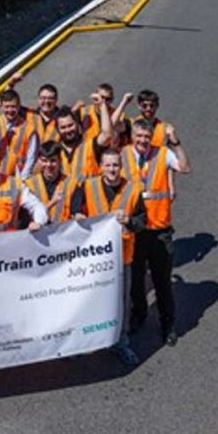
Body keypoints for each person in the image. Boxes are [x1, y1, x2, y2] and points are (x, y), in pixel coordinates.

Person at [70, 148, 145, 365]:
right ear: (101, 167)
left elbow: (142, 222)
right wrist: (77, 213)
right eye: (108, 165)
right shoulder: (89, 185)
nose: (112, 170)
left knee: (120, 302)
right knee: (88, 300)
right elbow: (75, 203)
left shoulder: (133, 189)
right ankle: (86, 343)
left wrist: (129, 221)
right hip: (95, 261)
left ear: (121, 167)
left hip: (123, 257)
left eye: (115, 165)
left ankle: (121, 343)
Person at [124, 118, 191, 346]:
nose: (142, 140)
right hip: (135, 232)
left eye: (146, 136)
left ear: (151, 137)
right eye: (138, 136)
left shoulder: (163, 154)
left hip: (159, 231)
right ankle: (139, 315)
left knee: (162, 283)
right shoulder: (122, 156)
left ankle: (167, 325)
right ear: (132, 136)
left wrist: (176, 143)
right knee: (136, 282)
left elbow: (185, 168)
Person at [0, 89, 39, 180]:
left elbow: (31, 157)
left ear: (19, 106)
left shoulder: (29, 129)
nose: (10, 110)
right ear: (1, 107)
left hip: (19, 177)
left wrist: (22, 179)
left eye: (13, 106)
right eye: (6, 107)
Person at [24, 141, 75, 223]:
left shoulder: (71, 184)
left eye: (53, 161)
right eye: (44, 161)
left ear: (60, 161)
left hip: (63, 233)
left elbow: (76, 212)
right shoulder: (29, 185)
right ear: (39, 161)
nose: (48, 165)